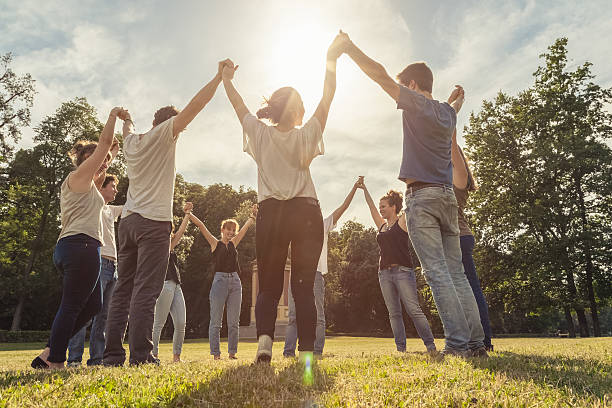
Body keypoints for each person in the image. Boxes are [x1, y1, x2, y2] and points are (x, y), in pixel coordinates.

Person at [337, 32, 486, 357]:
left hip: (422, 198)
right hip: (448, 198)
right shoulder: (447, 113)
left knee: (436, 273)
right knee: (457, 273)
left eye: (405, 86)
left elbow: (379, 75)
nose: (401, 92)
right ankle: (476, 343)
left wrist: (350, 48)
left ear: (414, 86)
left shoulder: (416, 102)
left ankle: (458, 345)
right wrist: (456, 97)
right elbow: (453, 104)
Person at [221, 33, 344, 363]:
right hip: (305, 212)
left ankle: (264, 343)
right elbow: (328, 97)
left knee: (269, 285)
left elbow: (238, 105)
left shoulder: (260, 134)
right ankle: (306, 354)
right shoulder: (306, 135)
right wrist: (332, 57)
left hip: (271, 213)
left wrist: (226, 79)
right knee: (303, 287)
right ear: (298, 109)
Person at [103, 60, 230, 366]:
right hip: (154, 223)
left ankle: (111, 356)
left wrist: (126, 119)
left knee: (123, 290)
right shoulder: (166, 133)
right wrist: (218, 78)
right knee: (146, 289)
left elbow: (129, 128)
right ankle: (142, 356)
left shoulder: (133, 142)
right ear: (172, 124)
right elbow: (196, 105)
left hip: (129, 223)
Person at [31, 107, 127, 369]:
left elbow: (104, 163)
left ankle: (51, 350)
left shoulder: (89, 186)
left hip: (80, 247)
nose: (102, 164)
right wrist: (112, 116)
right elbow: (103, 146)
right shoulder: (77, 177)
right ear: (85, 160)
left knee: (93, 305)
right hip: (79, 246)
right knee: (72, 305)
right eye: (96, 159)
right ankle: (56, 360)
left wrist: (111, 155)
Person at [283, 177, 361, 358]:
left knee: (318, 316)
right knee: (293, 316)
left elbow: (343, 207)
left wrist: (354, 188)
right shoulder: (293, 229)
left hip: (315, 275)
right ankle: (288, 352)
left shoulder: (323, 225)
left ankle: (316, 351)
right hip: (296, 275)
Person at [358, 179, 437, 353]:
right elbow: (371, 208)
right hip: (384, 274)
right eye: (380, 207)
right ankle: (401, 349)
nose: (380, 209)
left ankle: (430, 346)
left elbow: (411, 205)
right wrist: (364, 189)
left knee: (413, 310)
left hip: (403, 271)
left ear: (394, 207)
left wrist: (412, 185)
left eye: (384, 206)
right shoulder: (382, 226)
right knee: (394, 313)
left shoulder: (402, 221)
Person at [66, 174, 122, 367]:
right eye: (113, 186)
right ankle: (74, 359)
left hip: (113, 266)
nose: (116, 190)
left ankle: (97, 359)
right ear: (102, 187)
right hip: (96, 262)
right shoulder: (93, 205)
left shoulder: (111, 210)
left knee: (103, 316)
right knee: (86, 312)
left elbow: (133, 204)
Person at [189, 205, 257, 360]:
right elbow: (201, 226)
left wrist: (252, 216)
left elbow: (245, 229)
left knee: (234, 322)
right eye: (229, 230)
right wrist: (189, 213)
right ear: (223, 230)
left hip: (235, 282)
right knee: (216, 322)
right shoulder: (215, 243)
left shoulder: (234, 243)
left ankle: (232, 353)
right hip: (219, 282)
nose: (232, 233)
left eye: (233, 230)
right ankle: (216, 354)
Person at [451, 128, 494, 351]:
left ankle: (484, 340)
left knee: (470, 289)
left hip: (459, 238)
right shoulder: (455, 179)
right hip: (460, 238)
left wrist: (449, 125)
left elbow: (452, 145)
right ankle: (476, 338)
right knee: (465, 289)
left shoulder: (458, 180)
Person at [152, 202, 194, 363]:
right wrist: (187, 215)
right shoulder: (161, 246)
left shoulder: (170, 245)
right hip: (164, 285)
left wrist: (187, 214)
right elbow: (181, 233)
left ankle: (176, 356)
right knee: (159, 323)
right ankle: (153, 354)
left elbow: (181, 231)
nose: (171, 233)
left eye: (171, 230)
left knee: (181, 322)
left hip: (176, 285)